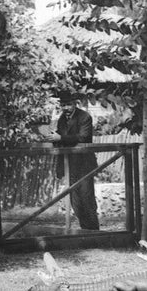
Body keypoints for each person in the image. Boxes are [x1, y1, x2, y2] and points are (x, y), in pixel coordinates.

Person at [46, 92, 99, 231]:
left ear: (75, 103)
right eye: (63, 105)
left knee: (87, 198)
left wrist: (61, 138)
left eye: (69, 104)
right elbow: (60, 138)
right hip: (70, 164)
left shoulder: (85, 117)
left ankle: (94, 231)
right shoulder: (62, 118)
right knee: (75, 201)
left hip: (84, 164)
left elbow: (83, 137)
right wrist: (54, 139)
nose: (66, 107)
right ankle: (85, 229)